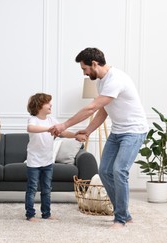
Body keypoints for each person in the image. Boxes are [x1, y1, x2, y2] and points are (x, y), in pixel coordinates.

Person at [50, 47, 148, 228]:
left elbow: (91, 108)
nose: (85, 73)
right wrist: (87, 130)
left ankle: (120, 218)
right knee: (104, 171)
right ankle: (124, 214)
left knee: (119, 171)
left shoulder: (115, 79)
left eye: (84, 68)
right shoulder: (101, 82)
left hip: (134, 131)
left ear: (94, 64)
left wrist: (64, 125)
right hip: (118, 131)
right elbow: (103, 111)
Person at [25, 93, 84, 222]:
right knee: (32, 189)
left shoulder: (52, 120)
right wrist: (49, 129)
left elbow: (62, 132)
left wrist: (75, 135)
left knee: (46, 189)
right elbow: (31, 128)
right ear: (39, 105)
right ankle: (30, 215)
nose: (51, 105)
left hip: (47, 162)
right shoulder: (33, 119)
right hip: (34, 162)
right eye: (48, 103)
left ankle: (46, 214)